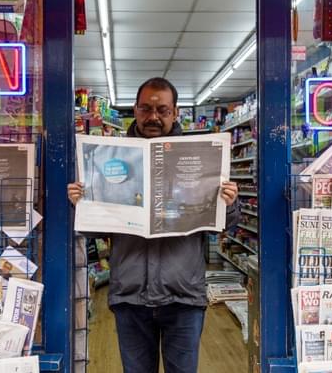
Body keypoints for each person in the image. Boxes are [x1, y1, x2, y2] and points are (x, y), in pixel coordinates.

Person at [68, 77, 239, 373]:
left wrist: (230, 201)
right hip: (130, 296)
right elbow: (93, 229)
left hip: (183, 297)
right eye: (146, 109)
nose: (154, 117)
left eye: (163, 110)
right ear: (135, 110)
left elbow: (221, 226)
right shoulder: (110, 155)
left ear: (175, 113)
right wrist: (82, 203)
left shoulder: (198, 158)